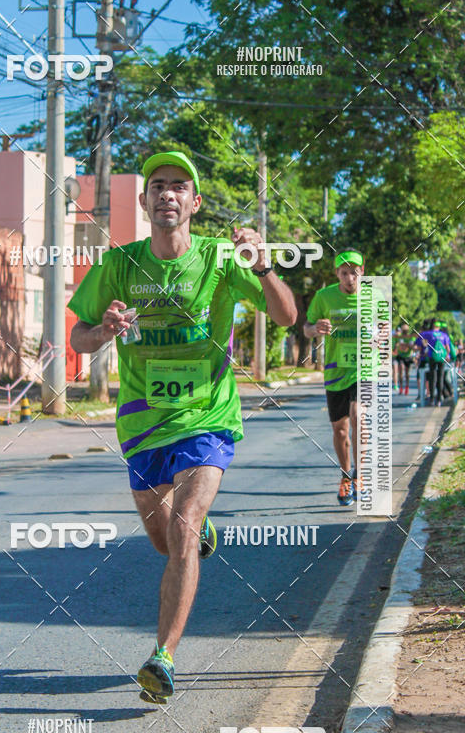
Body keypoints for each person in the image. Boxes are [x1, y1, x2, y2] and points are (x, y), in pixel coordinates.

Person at [68, 151, 297, 704]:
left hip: (207, 417)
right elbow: (77, 340)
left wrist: (263, 265)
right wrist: (104, 331)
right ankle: (194, 537)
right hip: (144, 422)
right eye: (157, 186)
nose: (167, 193)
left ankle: (162, 657)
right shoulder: (119, 265)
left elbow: (287, 316)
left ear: (194, 203)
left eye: (179, 186)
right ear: (146, 203)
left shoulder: (223, 258)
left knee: (185, 527)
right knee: (162, 538)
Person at [304, 249, 373, 506]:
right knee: (340, 429)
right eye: (345, 273)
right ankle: (346, 476)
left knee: (359, 418)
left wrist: (381, 336)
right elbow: (307, 328)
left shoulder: (374, 296)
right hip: (335, 372)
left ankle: (361, 476)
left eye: (354, 272)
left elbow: (385, 329)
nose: (350, 278)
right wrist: (316, 329)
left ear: (362, 272)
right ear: (337, 274)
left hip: (365, 369)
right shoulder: (324, 297)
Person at [416, 318, 451, 407]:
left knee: (433, 377)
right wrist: (447, 356)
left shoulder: (427, 334)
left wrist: (423, 350)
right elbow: (448, 349)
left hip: (432, 357)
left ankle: (432, 399)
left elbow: (421, 342)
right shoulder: (444, 335)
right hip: (442, 358)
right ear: (438, 327)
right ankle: (439, 399)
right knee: (440, 377)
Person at [393, 324, 416, 395]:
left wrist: (408, 345)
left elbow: (413, 347)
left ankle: (407, 387)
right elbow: (395, 346)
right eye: (404, 330)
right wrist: (396, 347)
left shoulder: (410, 337)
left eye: (406, 330)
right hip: (400, 356)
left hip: (408, 356)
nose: (405, 331)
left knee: (407, 373)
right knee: (400, 371)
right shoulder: (398, 337)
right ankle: (401, 388)